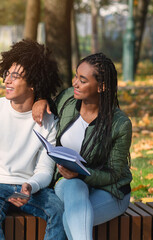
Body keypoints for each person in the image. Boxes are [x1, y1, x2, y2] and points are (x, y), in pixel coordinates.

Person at [33, 53, 132, 240]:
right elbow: (49, 109)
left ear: (101, 87)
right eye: (76, 76)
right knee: (75, 188)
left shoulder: (120, 124)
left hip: (110, 192)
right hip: (70, 185)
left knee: (72, 217)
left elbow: (114, 174)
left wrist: (81, 173)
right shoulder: (67, 99)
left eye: (83, 80)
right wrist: (41, 100)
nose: (75, 83)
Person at [0, 39, 66, 240]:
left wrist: (30, 186)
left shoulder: (49, 121)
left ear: (33, 83)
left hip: (31, 186)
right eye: (7, 74)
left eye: (15, 77)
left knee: (59, 210)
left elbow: (44, 169)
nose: (7, 80)